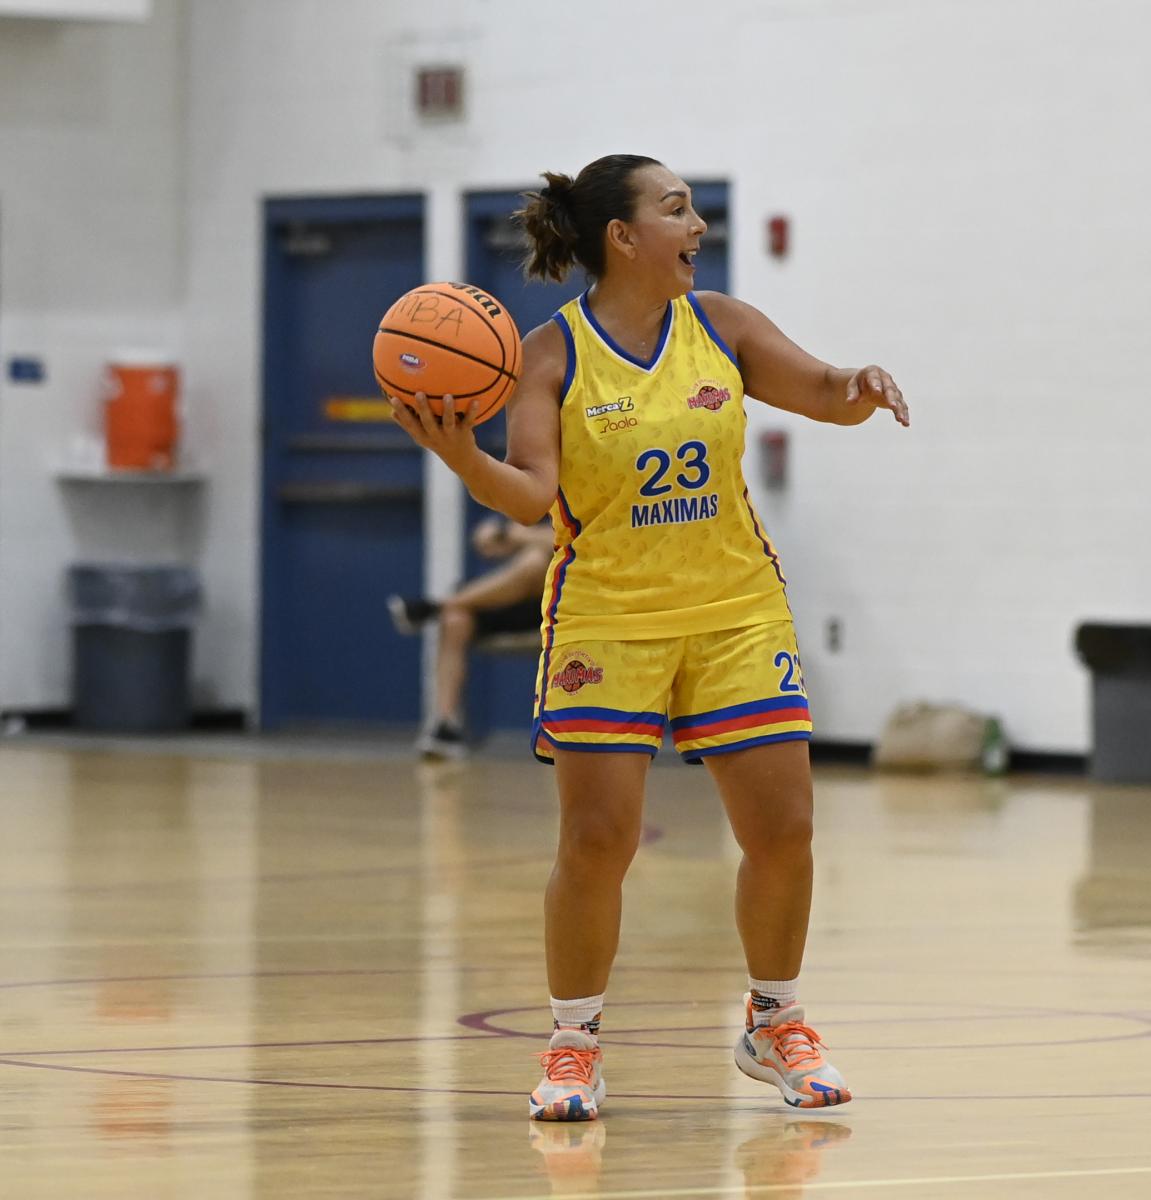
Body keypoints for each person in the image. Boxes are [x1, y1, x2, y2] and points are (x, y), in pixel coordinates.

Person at [385, 154, 908, 1121]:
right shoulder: (547, 355)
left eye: (694, 208)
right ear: (622, 238)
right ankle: (573, 1043)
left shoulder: (723, 325)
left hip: (735, 610)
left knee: (784, 831)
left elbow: (820, 391)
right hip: (607, 620)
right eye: (676, 209)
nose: (697, 225)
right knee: (596, 842)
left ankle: (774, 1021)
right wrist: (461, 456)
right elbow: (531, 496)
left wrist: (858, 384)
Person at [388, 515, 553, 760]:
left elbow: (563, 540)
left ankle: (434, 607)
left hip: (550, 606)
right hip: (503, 598)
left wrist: (517, 535)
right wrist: (505, 535)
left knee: (535, 562)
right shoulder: (526, 504)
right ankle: (445, 726)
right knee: (455, 620)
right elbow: (486, 542)